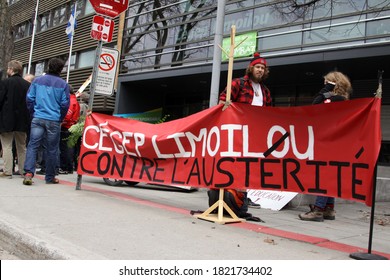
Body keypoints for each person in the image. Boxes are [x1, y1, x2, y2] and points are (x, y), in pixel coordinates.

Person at [215, 52, 273, 211]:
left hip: (254, 134)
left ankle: (244, 196)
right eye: (257, 67)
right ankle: (231, 195)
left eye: (263, 68)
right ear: (251, 68)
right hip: (237, 131)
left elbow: (268, 114)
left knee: (248, 165)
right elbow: (222, 103)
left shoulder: (265, 91)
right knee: (234, 163)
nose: (260, 70)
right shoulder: (237, 84)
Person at [299, 71, 352, 222]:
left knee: (323, 176)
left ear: (333, 83)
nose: (324, 85)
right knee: (330, 175)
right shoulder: (342, 99)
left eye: (327, 82)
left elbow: (314, 107)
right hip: (336, 143)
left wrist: (324, 91)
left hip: (328, 142)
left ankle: (318, 210)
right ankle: (329, 209)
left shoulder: (334, 99)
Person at [23, 58, 70, 185]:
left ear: (48, 66)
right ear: (61, 69)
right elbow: (65, 104)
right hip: (54, 119)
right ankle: (50, 177)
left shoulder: (37, 81)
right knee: (52, 149)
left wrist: (33, 112)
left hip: (38, 117)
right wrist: (60, 117)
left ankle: (28, 173)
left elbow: (29, 98)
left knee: (33, 145)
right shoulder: (63, 84)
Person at [0, 60, 31, 178]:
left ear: (11, 69)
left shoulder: (5, 83)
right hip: (23, 119)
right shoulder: (27, 85)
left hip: (6, 118)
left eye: (8, 68)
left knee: (6, 145)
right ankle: (23, 170)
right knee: (22, 146)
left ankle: (8, 171)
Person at [59, 85, 80, 174]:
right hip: (72, 126)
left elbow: (67, 115)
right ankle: (69, 167)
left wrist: (61, 122)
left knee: (65, 148)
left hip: (66, 126)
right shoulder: (75, 101)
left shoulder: (70, 101)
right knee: (69, 147)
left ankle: (65, 167)